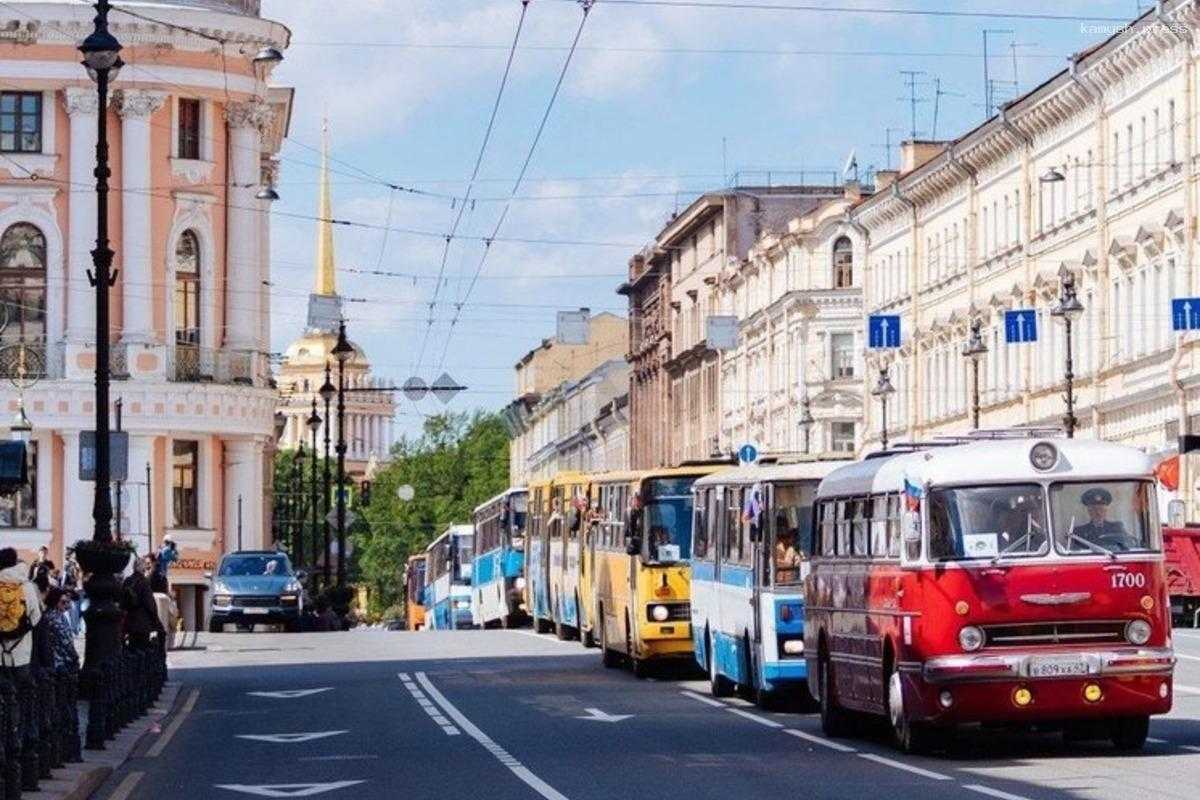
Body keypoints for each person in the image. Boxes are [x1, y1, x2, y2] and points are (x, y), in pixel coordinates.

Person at [0, 547, 43, 790]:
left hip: (0, 656)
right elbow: (36, 618)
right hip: (21, 653)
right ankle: (19, 740)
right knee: (22, 699)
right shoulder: (26, 586)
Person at [1070, 487, 1136, 550]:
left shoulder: (1117, 527)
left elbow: (1126, 546)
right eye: (1094, 509)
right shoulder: (1079, 532)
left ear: (1106, 511)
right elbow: (1077, 553)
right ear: (1089, 511)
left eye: (1101, 509)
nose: (1098, 513)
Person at [121, 557, 163, 650]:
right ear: (142, 568)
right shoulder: (144, 582)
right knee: (142, 649)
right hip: (143, 622)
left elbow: (122, 601)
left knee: (132, 648)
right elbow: (149, 604)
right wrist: (156, 621)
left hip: (129, 621)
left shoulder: (127, 581)